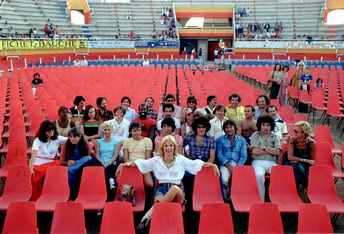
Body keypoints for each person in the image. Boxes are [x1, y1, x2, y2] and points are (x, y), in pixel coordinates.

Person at [116, 135, 219, 227]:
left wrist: (212, 164)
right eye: (166, 146)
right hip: (161, 189)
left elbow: (195, 164)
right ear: (162, 148)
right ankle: (165, 226)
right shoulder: (157, 160)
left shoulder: (180, 159)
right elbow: (141, 163)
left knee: (173, 189)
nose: (168, 148)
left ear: (174, 147)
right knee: (159, 202)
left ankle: (148, 215)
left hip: (178, 190)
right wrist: (124, 164)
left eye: (171, 145)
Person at [30, 120, 67, 200]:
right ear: (44, 131)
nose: (51, 132)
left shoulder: (57, 138)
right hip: (39, 163)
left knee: (58, 165)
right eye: (49, 130)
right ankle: (39, 197)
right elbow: (33, 155)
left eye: (52, 129)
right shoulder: (37, 140)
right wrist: (30, 168)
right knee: (36, 172)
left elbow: (71, 139)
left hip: (51, 162)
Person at [62, 128, 99, 199]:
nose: (72, 138)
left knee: (88, 158)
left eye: (75, 136)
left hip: (82, 167)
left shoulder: (86, 145)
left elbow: (89, 159)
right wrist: (67, 162)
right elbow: (61, 160)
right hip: (71, 167)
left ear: (80, 137)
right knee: (70, 172)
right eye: (70, 136)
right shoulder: (66, 145)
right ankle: (73, 196)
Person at [251, 115, 281, 201]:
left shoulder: (275, 137)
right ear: (260, 125)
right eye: (263, 125)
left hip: (272, 162)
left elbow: (277, 152)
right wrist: (270, 150)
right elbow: (254, 151)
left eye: (268, 125)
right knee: (259, 175)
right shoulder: (255, 135)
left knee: (279, 175)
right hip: (257, 162)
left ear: (271, 126)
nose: (266, 127)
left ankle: (276, 199)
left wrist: (263, 148)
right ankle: (261, 199)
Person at [216, 120, 247, 200]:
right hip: (225, 164)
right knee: (224, 180)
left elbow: (243, 156)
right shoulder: (220, 140)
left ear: (235, 128)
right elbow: (219, 154)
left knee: (240, 181)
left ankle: (238, 198)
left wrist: (237, 167)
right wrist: (228, 165)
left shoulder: (242, 140)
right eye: (226, 128)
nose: (229, 129)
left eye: (231, 127)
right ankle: (226, 198)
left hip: (238, 164)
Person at [96, 122, 123, 199]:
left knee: (108, 169)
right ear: (102, 130)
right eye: (105, 129)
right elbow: (97, 155)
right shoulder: (98, 141)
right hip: (101, 163)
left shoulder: (116, 142)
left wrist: (109, 162)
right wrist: (102, 163)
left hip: (111, 163)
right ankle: (111, 182)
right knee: (105, 171)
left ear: (111, 130)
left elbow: (115, 155)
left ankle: (110, 192)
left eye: (108, 129)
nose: (107, 131)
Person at [122, 122, 154, 188]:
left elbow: (147, 158)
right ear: (130, 132)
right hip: (130, 165)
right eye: (134, 131)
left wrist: (138, 164)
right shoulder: (126, 141)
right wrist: (131, 164)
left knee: (149, 184)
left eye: (139, 130)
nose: (137, 133)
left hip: (143, 165)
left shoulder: (147, 141)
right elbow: (125, 158)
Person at [286, 121, 315, 190]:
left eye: (296, 132)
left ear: (303, 133)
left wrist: (302, 161)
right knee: (295, 167)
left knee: (301, 168)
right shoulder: (292, 140)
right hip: (293, 162)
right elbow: (290, 157)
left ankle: (302, 187)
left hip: (305, 164)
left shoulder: (311, 143)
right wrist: (304, 160)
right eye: (294, 131)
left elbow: (313, 160)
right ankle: (296, 188)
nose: (293, 133)